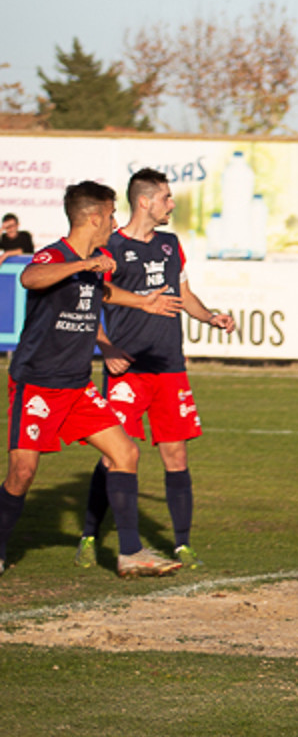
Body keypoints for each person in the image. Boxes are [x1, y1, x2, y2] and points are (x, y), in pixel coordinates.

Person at [0, 181, 184, 578]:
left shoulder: (98, 259)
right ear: (96, 217)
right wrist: (83, 265)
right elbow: (31, 278)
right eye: (112, 215)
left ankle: (130, 553)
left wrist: (144, 302)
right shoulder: (57, 255)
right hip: (38, 385)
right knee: (22, 473)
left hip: (77, 386)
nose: (114, 222)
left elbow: (105, 293)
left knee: (126, 454)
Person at [77, 169, 237, 572]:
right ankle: (90, 534)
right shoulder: (110, 247)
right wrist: (106, 345)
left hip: (169, 366)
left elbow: (183, 294)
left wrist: (210, 316)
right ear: (145, 201)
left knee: (176, 452)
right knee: (116, 456)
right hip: (127, 368)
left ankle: (181, 544)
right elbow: (89, 300)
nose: (172, 203)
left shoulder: (170, 244)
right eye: (166, 197)